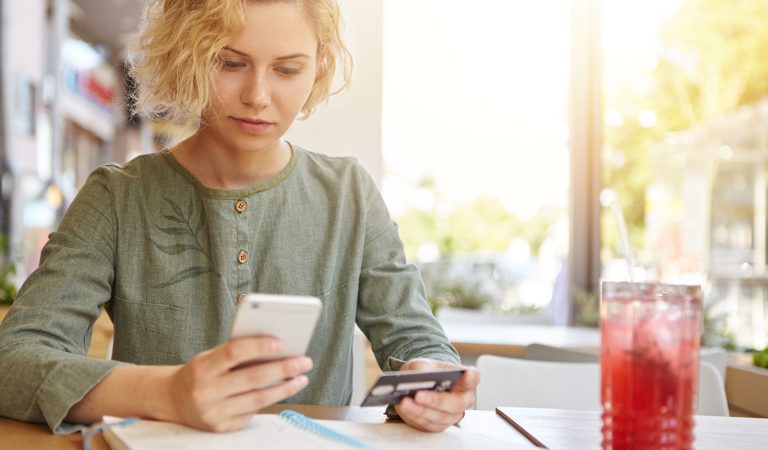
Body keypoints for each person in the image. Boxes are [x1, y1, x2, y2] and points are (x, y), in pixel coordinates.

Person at [0, 0, 479, 435]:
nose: (257, 95)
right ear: (185, 56)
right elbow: (12, 362)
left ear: (319, 68)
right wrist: (165, 394)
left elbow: (415, 336)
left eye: (288, 70)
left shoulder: (349, 195)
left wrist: (430, 377)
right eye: (229, 63)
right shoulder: (118, 197)